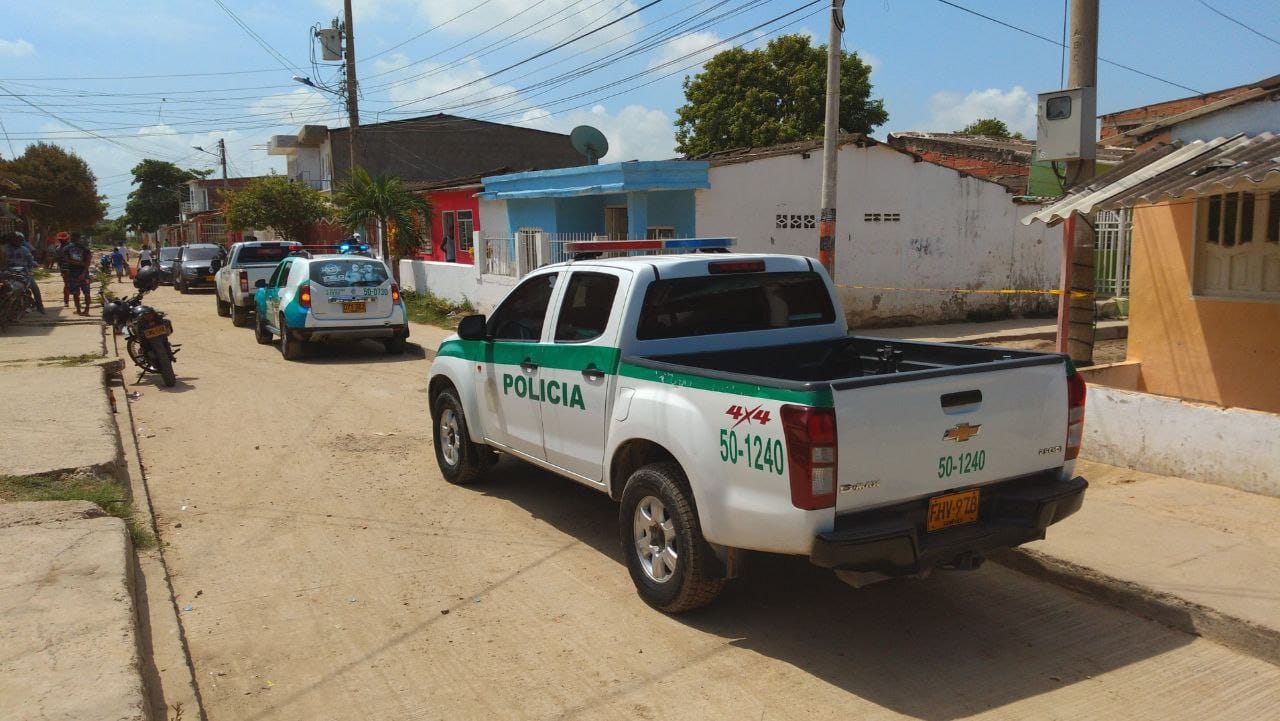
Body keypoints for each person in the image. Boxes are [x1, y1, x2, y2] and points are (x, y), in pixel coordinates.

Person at [2, 232, 44, 314]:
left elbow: (30, 260)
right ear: (11, 240)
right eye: (15, 239)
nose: (17, 241)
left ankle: (40, 306)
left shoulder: (24, 249)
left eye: (19, 240)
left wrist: (35, 264)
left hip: (21, 273)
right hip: (9, 273)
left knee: (35, 288)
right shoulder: (4, 249)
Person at [58, 231, 92, 315]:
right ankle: (87, 310)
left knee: (75, 293)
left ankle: (78, 310)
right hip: (84, 273)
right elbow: (88, 261)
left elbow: (66, 260)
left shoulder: (66, 248)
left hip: (73, 274)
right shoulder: (85, 248)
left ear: (71, 238)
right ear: (79, 238)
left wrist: (78, 264)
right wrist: (84, 271)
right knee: (87, 292)